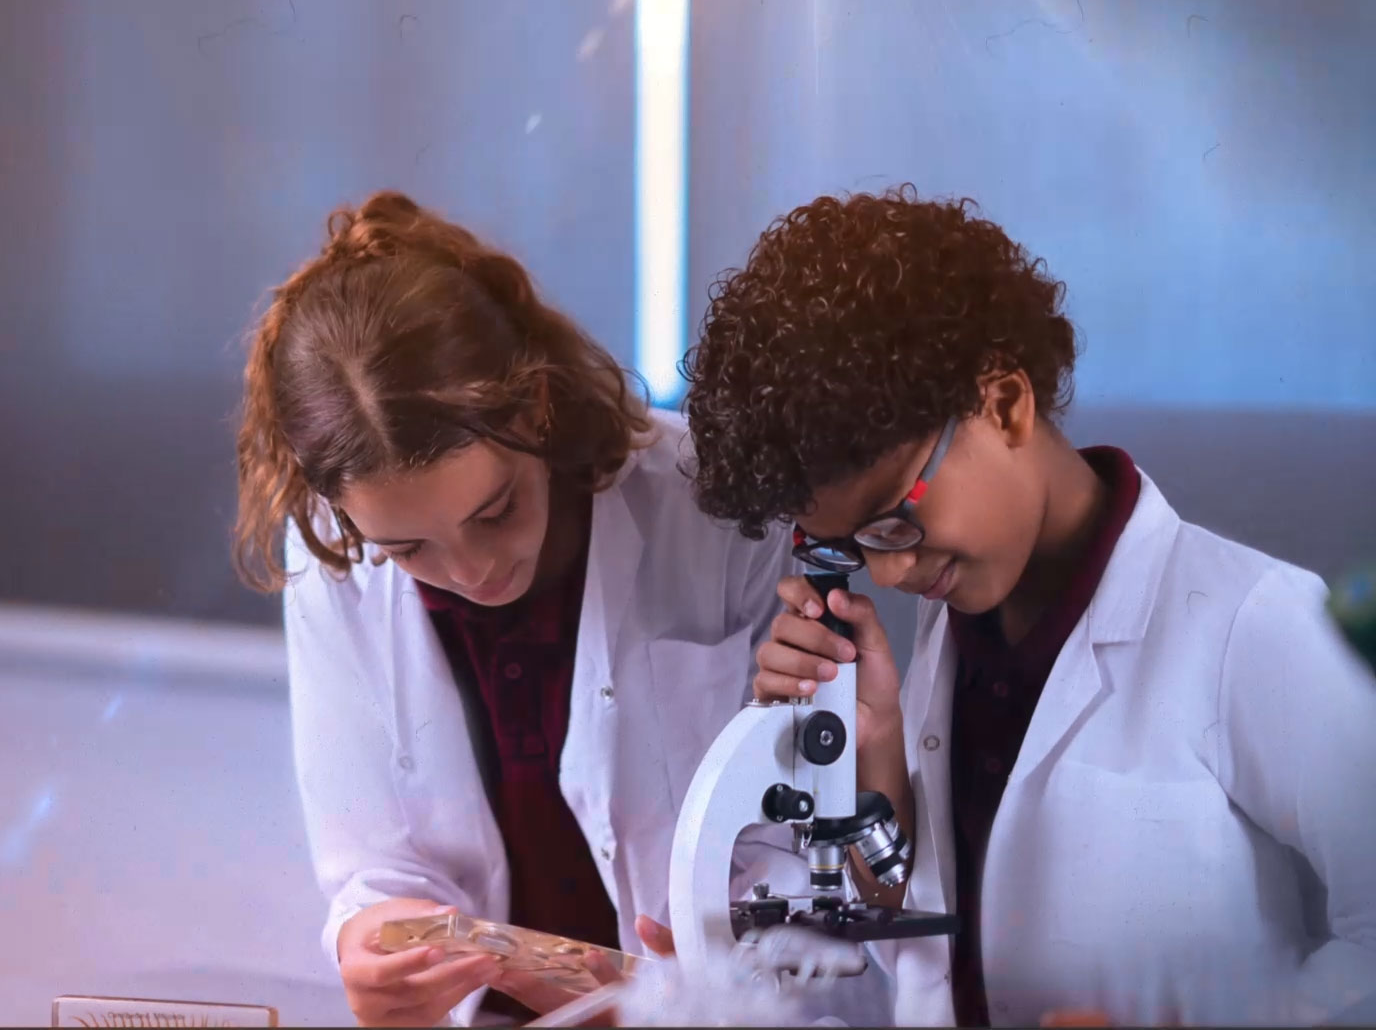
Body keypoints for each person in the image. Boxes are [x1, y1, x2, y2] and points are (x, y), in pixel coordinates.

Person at [679, 185, 1376, 1027]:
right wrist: (875, 752)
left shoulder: (1251, 623)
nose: (889, 574)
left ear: (1004, 405)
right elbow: (928, 926)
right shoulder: (953, 630)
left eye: (895, 519)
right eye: (853, 545)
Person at [233, 191, 792, 1027]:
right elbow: (376, 867)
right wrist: (373, 941)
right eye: (408, 549)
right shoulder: (332, 553)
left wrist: (687, 998)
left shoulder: (714, 509)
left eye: (496, 512)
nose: (473, 573)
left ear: (536, 404)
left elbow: (808, 852)